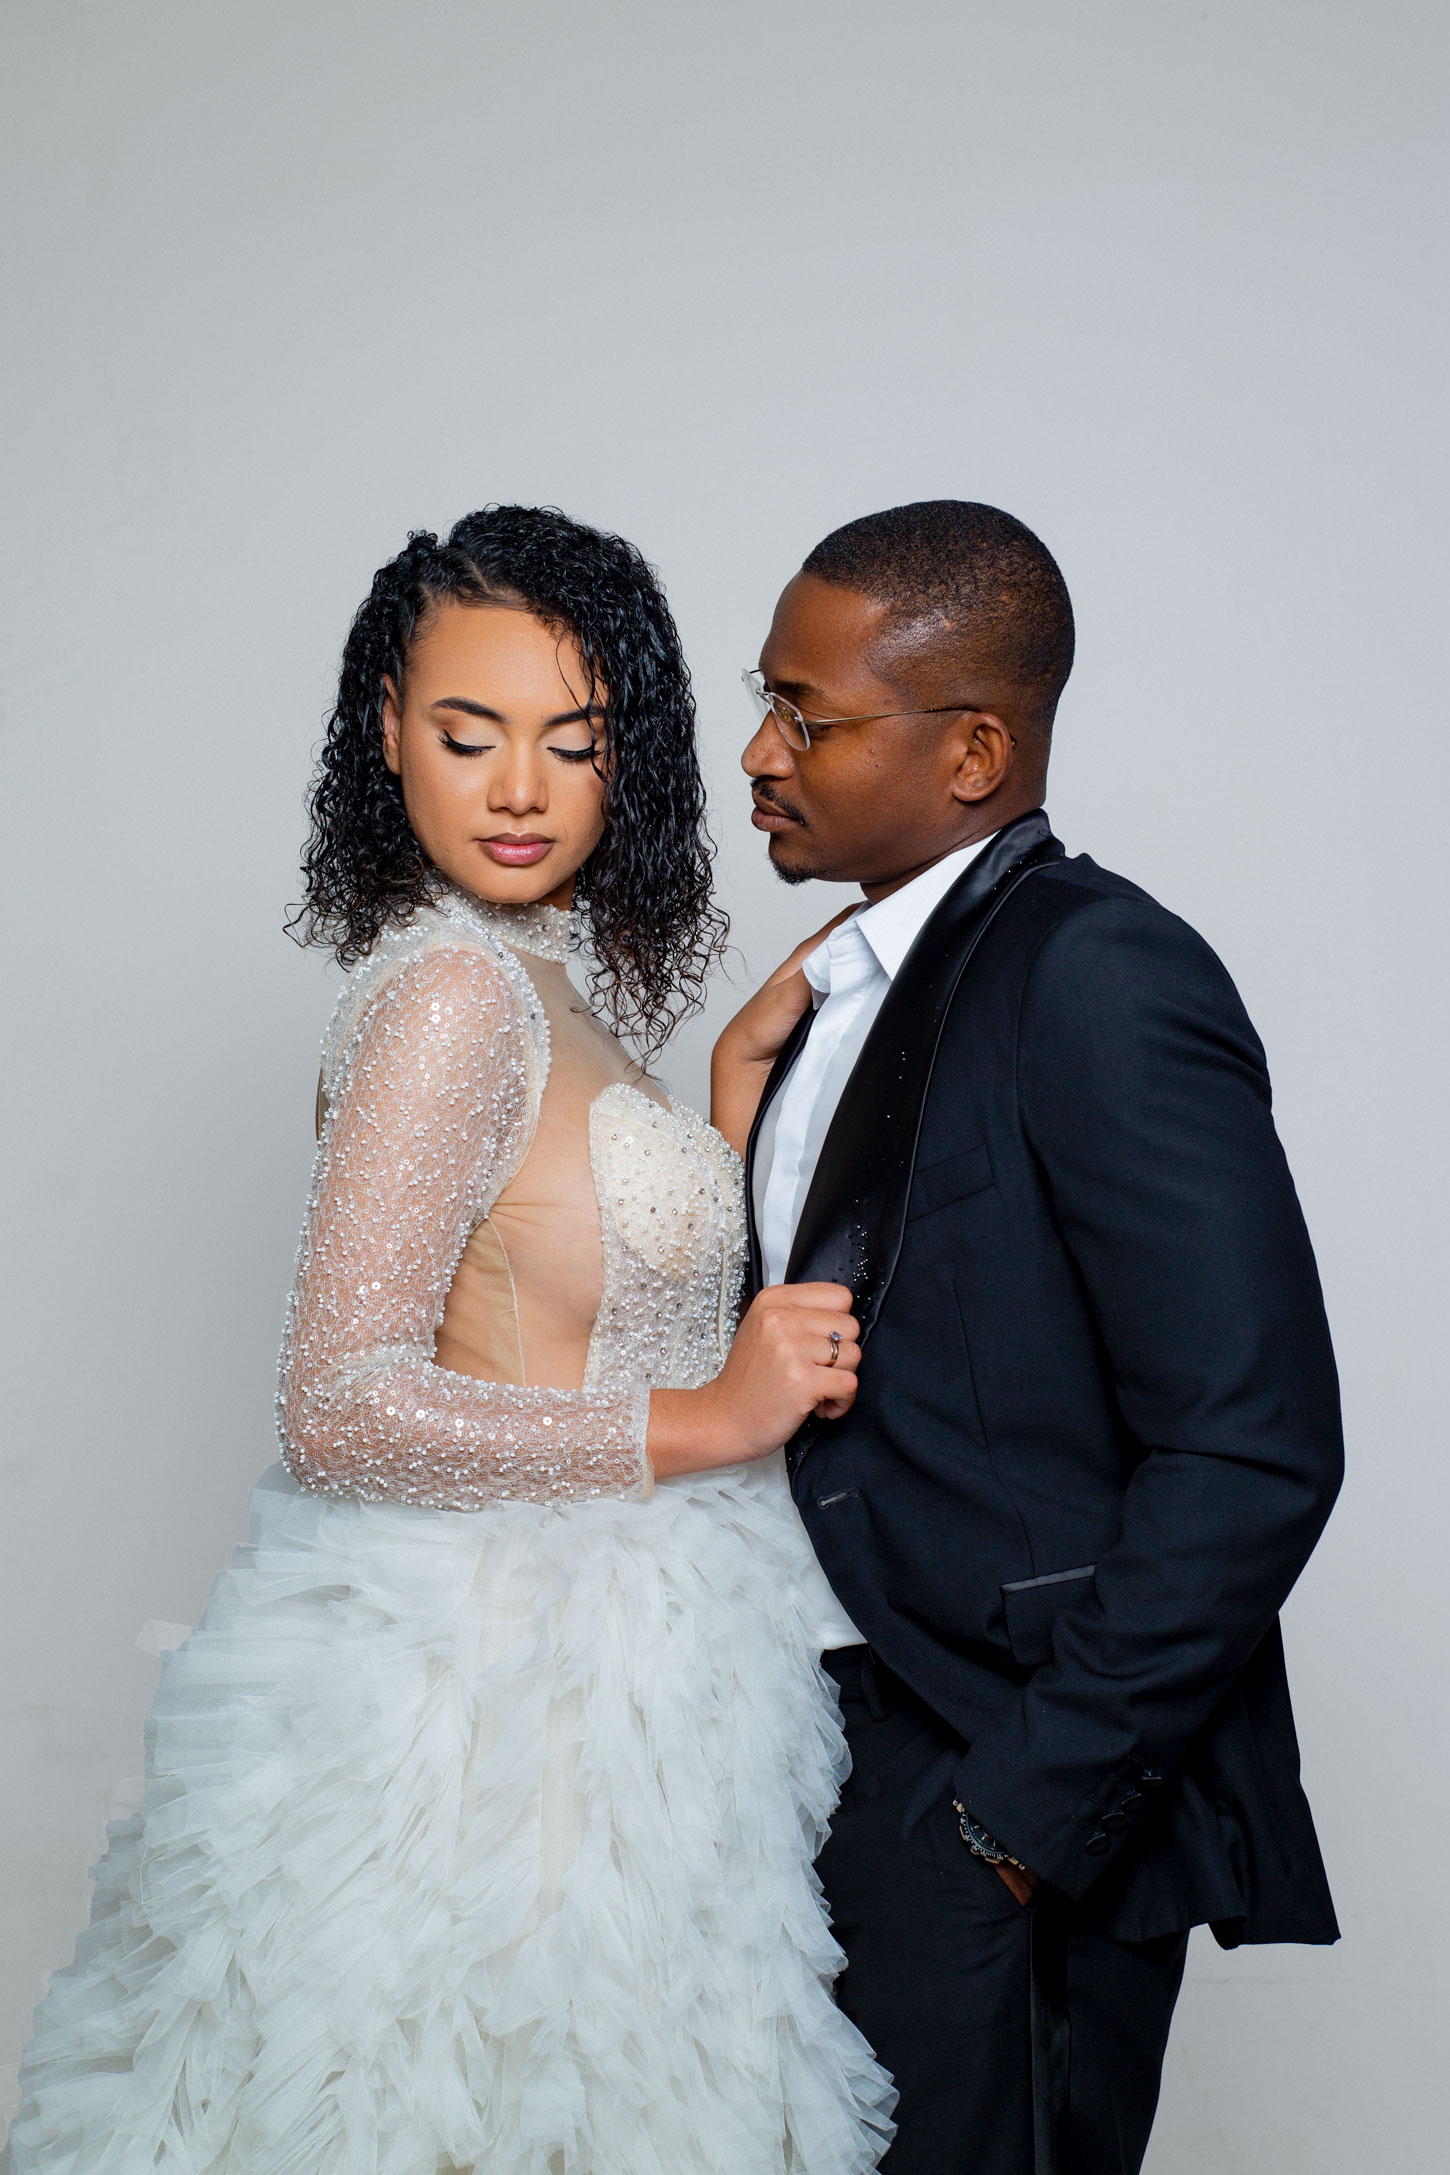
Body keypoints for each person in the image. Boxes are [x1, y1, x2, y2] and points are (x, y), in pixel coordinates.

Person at [7, 506, 895, 2174]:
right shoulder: (449, 999)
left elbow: (584, 1293)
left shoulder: (533, 983)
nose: (519, 789)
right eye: (468, 734)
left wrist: (722, 1113)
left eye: (575, 740)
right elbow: (340, 1406)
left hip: (622, 1665)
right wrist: (709, 1423)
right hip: (489, 1692)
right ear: (387, 733)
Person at [711, 501, 1343, 2175]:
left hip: (992, 1787)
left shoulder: (1098, 971)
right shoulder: (832, 1000)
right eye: (763, 701)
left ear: (973, 749)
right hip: (812, 1765)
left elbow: (1252, 1445)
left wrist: (1011, 1823)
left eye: (806, 716)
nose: (758, 753)